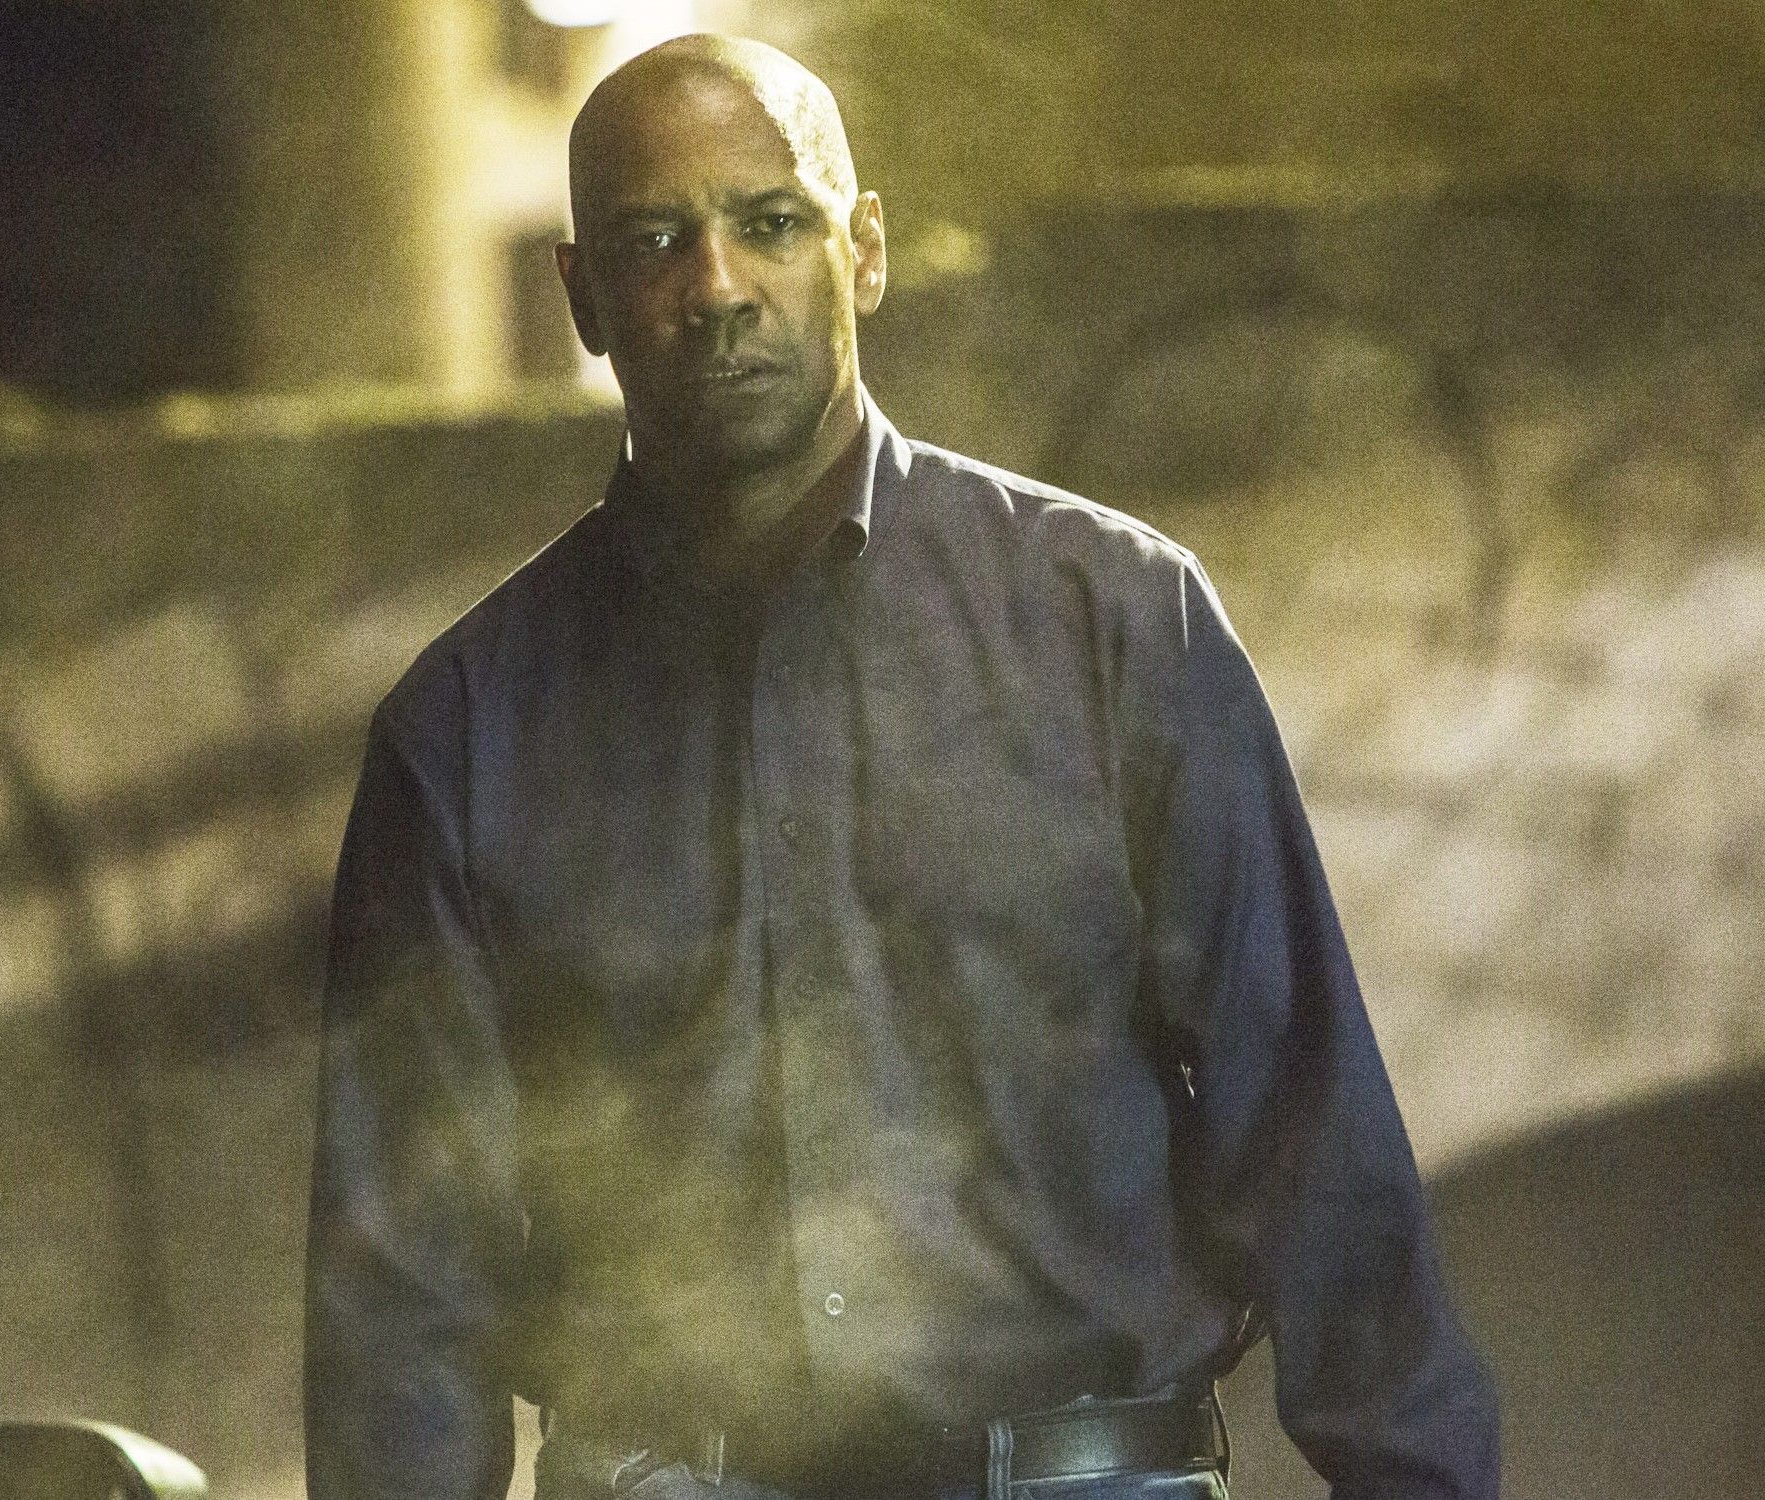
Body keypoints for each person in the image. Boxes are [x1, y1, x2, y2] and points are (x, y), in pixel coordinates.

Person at [307, 33, 1497, 1500]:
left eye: (771, 222)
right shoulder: (463, 732)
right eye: (653, 242)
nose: (716, 285)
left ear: (862, 251)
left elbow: (1315, 1150)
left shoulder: (1118, 624)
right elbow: (403, 1305)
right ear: (583, 298)